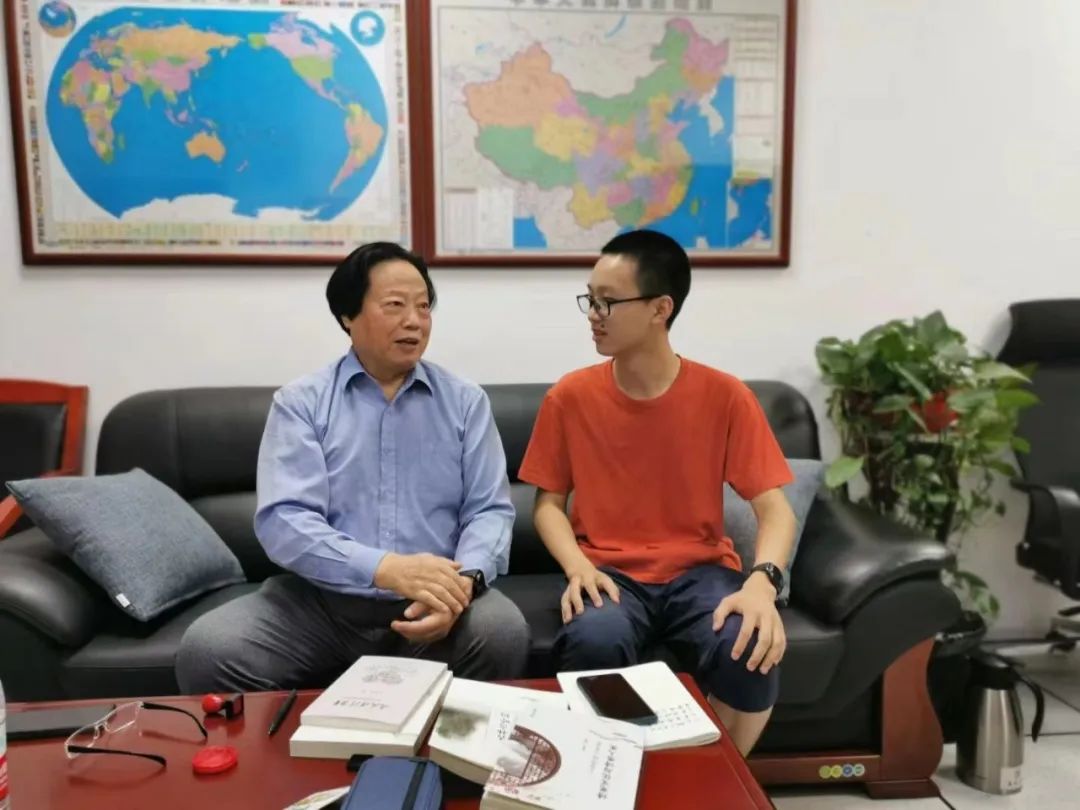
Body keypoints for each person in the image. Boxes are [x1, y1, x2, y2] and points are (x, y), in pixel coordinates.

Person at [177, 242, 529, 692]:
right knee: (209, 648)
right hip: (321, 605)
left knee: (501, 631)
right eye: (395, 305)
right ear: (348, 315)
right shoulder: (301, 403)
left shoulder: (465, 402)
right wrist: (384, 568)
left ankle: (439, 740)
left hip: (434, 601)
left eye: (423, 306)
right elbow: (286, 521)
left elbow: (489, 511)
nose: (414, 321)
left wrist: (462, 585)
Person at [517, 230, 796, 755]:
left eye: (608, 302)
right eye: (589, 299)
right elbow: (548, 505)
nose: (593, 314)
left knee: (748, 642)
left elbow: (775, 509)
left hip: (701, 572)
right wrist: (578, 567)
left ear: (660, 309)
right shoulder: (570, 397)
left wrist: (763, 583)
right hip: (610, 574)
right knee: (594, 641)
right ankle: (601, 777)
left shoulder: (725, 395)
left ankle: (717, 781)